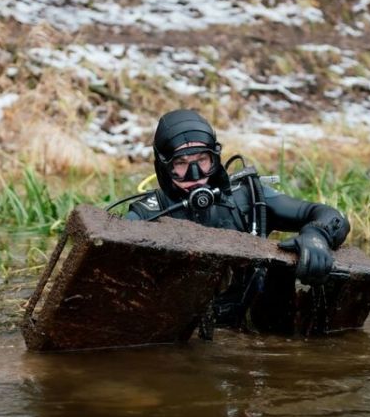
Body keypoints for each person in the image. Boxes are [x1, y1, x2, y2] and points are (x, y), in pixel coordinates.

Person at [122, 109, 350, 327]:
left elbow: (331, 216)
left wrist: (317, 236)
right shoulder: (147, 214)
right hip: (178, 333)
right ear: (163, 166)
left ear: (215, 158)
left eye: (203, 159)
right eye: (180, 163)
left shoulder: (248, 197)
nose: (195, 174)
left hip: (250, 330)